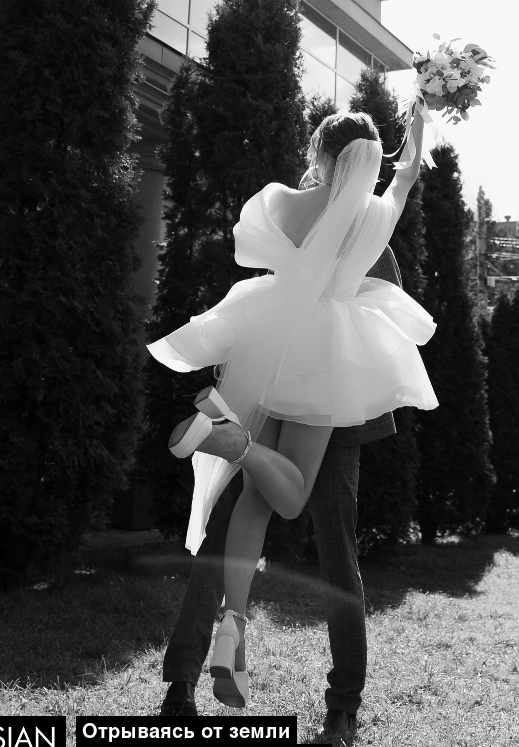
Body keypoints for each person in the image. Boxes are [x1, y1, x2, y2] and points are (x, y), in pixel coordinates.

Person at [147, 110, 437, 710]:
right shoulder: (372, 218)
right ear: (370, 161)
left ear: (321, 154)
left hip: (266, 348)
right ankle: (344, 700)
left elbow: (255, 245)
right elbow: (405, 178)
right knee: (310, 518)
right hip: (326, 371)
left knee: (248, 507)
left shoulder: (284, 201)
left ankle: (229, 628)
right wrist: (417, 134)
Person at [158, 244, 403, 747]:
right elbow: (388, 317)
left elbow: (275, 293)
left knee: (240, 520)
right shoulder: (366, 227)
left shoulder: (299, 220)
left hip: (280, 379)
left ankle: (189, 677)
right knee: (334, 552)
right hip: (328, 393)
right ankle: (342, 707)